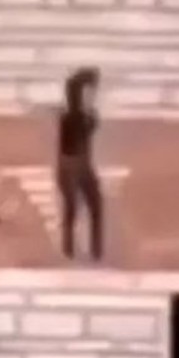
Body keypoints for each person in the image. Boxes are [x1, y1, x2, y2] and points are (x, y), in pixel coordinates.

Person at [56, 67, 104, 261]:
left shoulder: (79, 117)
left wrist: (90, 120)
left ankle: (92, 249)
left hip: (78, 165)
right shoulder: (72, 118)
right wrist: (89, 121)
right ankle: (72, 248)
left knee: (91, 205)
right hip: (72, 165)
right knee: (75, 207)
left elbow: (87, 131)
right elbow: (75, 142)